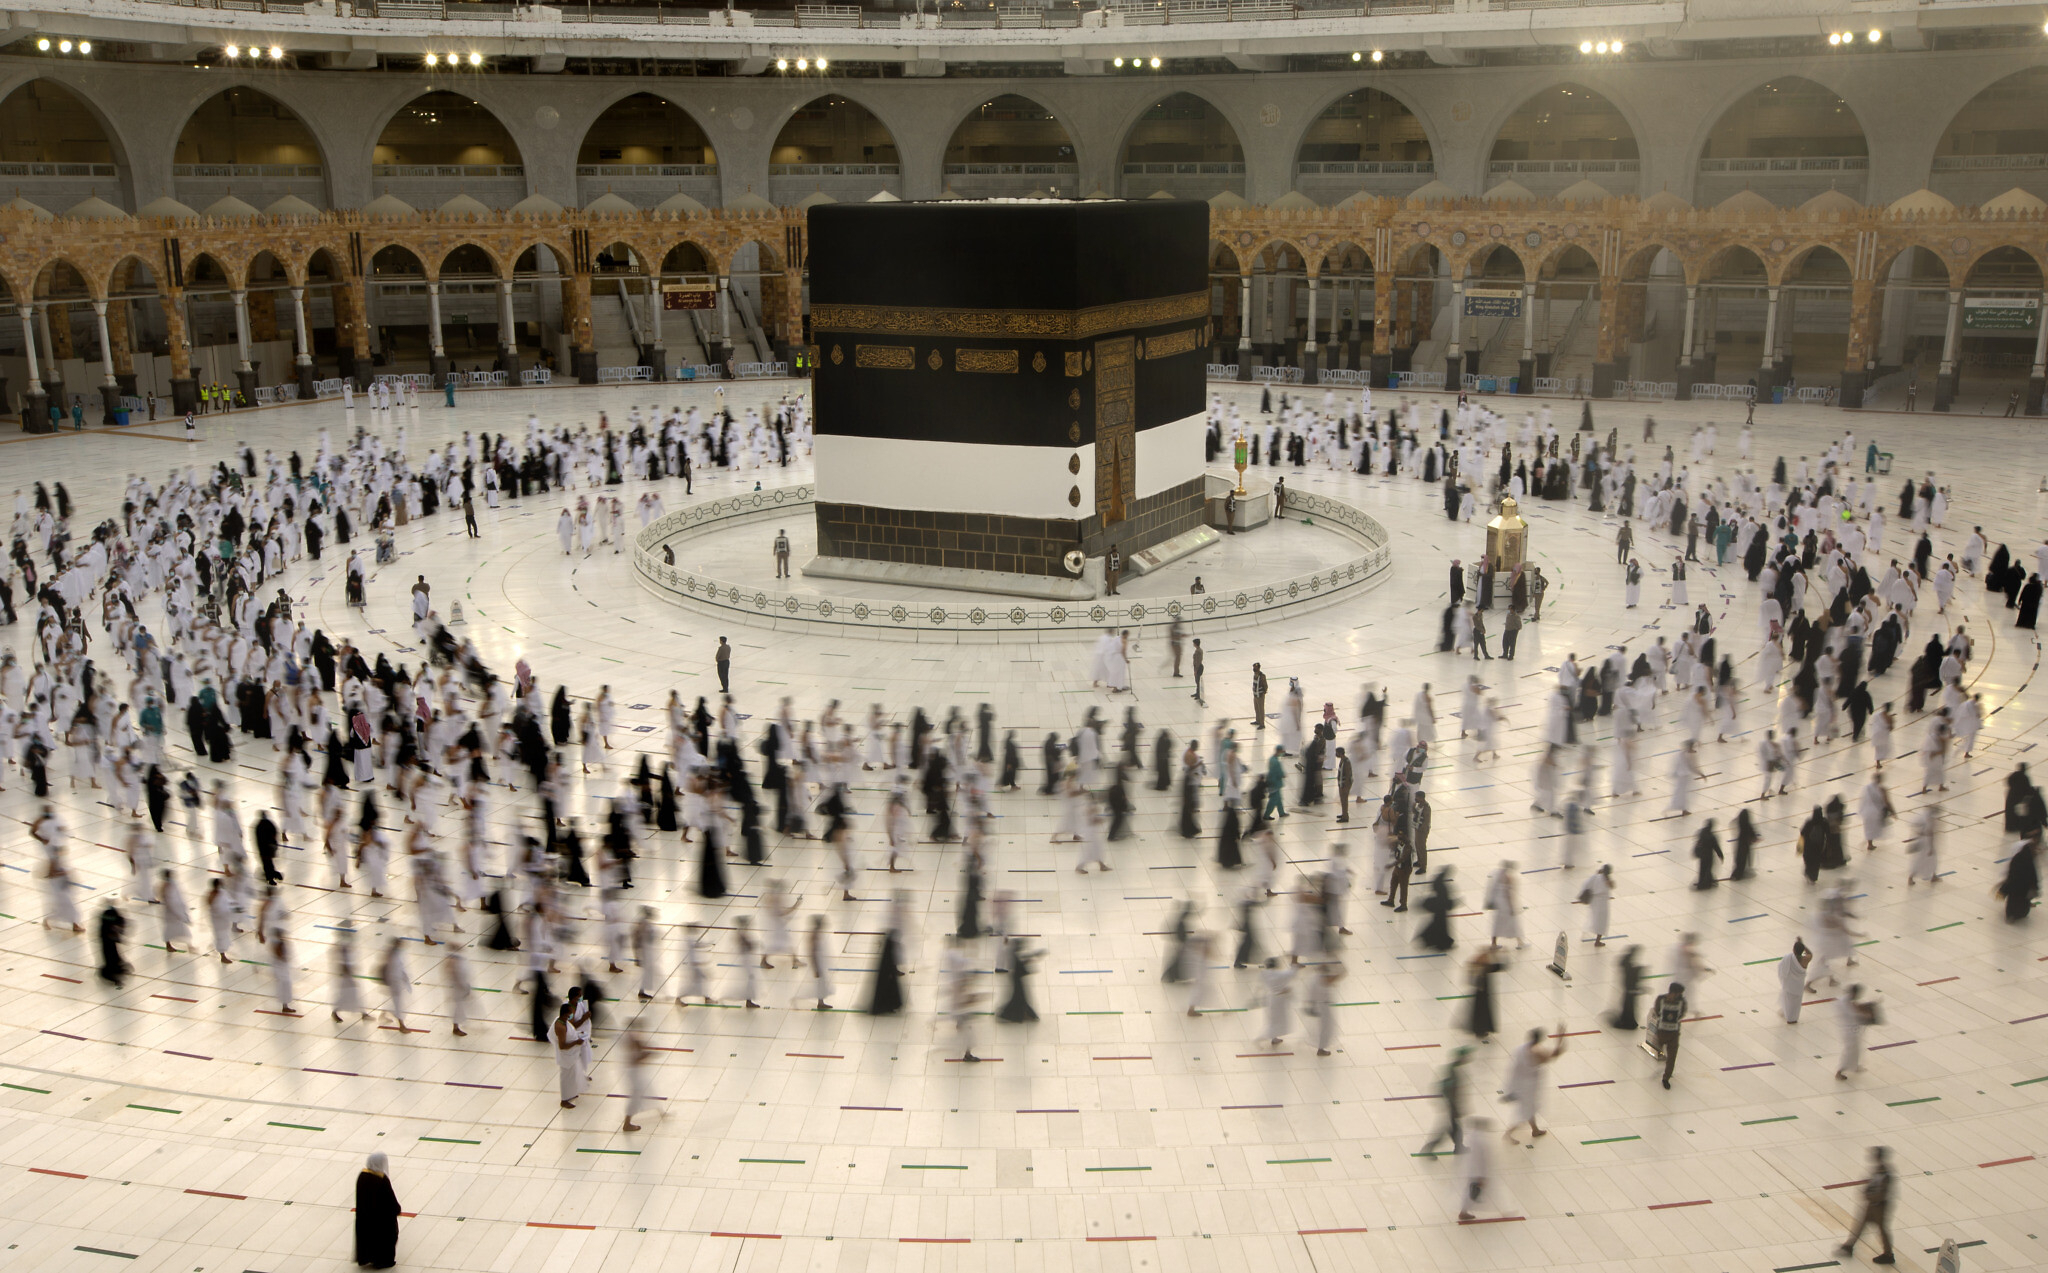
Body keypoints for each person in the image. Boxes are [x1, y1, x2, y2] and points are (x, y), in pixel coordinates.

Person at [1838, 1145, 1897, 1264]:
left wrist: (1869, 1196)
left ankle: (1888, 1254)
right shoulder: (1878, 1170)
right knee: (1861, 1224)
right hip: (1873, 1204)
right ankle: (1850, 1245)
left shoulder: (1886, 1174)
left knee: (1882, 1229)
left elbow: (1882, 1193)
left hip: (1879, 1206)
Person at [354, 1152, 402, 1269]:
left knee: (367, 1238)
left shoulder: (362, 1176)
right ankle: (382, 1261)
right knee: (384, 1239)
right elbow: (390, 1199)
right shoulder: (381, 1179)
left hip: (365, 1218)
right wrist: (397, 1209)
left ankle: (367, 1257)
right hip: (381, 1220)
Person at [1649, 980, 1687, 1089]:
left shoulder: (1682, 1002)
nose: (1680, 996)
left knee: (1672, 1058)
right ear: (1673, 993)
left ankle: (1666, 1078)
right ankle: (1662, 1059)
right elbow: (1656, 1011)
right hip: (1661, 1031)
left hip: (1674, 1033)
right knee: (1657, 1050)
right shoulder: (1661, 999)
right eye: (1678, 994)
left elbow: (1682, 1013)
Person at [1190, 639, 1205, 706]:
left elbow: (1198, 661)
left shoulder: (1198, 651)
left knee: (1197, 681)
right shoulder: (1199, 650)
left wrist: (1195, 670)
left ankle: (1198, 694)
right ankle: (1197, 693)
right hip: (1198, 667)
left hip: (1198, 667)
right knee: (1197, 681)